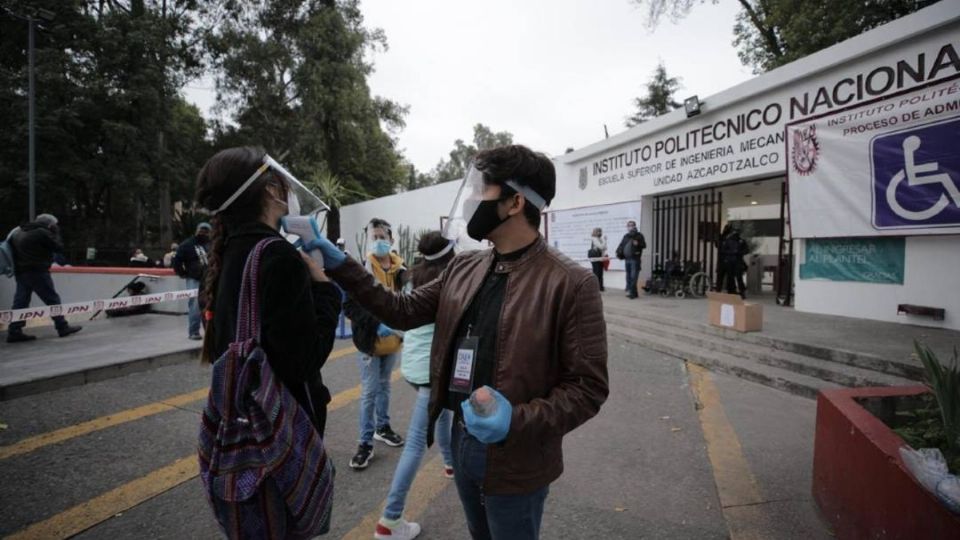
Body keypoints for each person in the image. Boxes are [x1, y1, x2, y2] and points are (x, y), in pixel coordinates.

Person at [307, 145, 609, 540]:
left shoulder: (571, 283)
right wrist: (340, 265)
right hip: (462, 438)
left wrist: (515, 421)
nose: (469, 200)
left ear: (515, 202)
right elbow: (401, 310)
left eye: (480, 190)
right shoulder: (465, 267)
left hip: (518, 457)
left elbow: (588, 388)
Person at [195, 146, 341, 438]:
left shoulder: (222, 255)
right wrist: (326, 291)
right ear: (272, 190)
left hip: (242, 423)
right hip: (282, 430)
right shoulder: (279, 257)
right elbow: (305, 359)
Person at [375, 231, 456, 540]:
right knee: (416, 443)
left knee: (442, 416)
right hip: (431, 372)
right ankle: (389, 521)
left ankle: (450, 464)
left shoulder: (411, 279)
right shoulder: (449, 284)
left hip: (412, 366)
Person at [344, 218, 406, 470]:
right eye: (375, 237)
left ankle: (383, 427)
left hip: (393, 340)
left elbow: (408, 300)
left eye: (383, 237)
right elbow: (349, 305)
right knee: (370, 391)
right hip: (369, 340)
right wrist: (376, 323)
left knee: (385, 386)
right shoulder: (362, 269)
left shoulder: (402, 271)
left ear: (392, 240)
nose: (379, 241)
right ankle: (365, 443)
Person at [6, 214, 82, 343]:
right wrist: (54, 233)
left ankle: (14, 331)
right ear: (49, 224)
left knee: (21, 302)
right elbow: (58, 247)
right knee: (52, 299)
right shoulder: (42, 232)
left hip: (21, 271)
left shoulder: (19, 231)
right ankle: (62, 327)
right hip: (37, 271)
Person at [172, 223, 211, 340]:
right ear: (196, 231)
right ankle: (194, 332)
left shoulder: (211, 244)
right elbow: (177, 261)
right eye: (201, 230)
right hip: (195, 279)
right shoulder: (187, 244)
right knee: (195, 305)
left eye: (206, 231)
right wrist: (183, 273)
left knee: (211, 305)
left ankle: (210, 332)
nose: (203, 233)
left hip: (210, 278)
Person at [716, 224, 748, 298]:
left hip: (737, 261)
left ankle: (740, 292)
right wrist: (732, 252)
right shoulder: (727, 240)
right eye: (735, 231)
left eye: (737, 231)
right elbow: (722, 249)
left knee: (738, 277)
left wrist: (739, 252)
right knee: (728, 277)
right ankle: (728, 291)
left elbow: (746, 250)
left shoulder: (741, 241)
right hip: (728, 261)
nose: (736, 233)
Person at [616, 220, 645, 299]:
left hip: (635, 259)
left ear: (635, 226)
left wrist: (638, 244)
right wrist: (618, 252)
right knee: (628, 276)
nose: (630, 227)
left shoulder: (639, 236)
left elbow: (644, 245)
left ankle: (632, 292)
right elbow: (621, 245)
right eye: (628, 225)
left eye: (631, 225)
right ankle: (634, 293)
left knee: (633, 276)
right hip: (627, 259)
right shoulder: (626, 236)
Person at [588, 227, 607, 292]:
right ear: (595, 232)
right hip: (595, 259)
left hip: (600, 258)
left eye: (600, 231)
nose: (600, 233)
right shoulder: (594, 239)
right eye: (598, 231)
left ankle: (600, 287)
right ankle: (596, 287)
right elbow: (601, 247)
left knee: (600, 273)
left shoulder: (600, 239)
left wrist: (603, 242)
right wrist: (604, 241)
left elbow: (605, 248)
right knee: (596, 273)